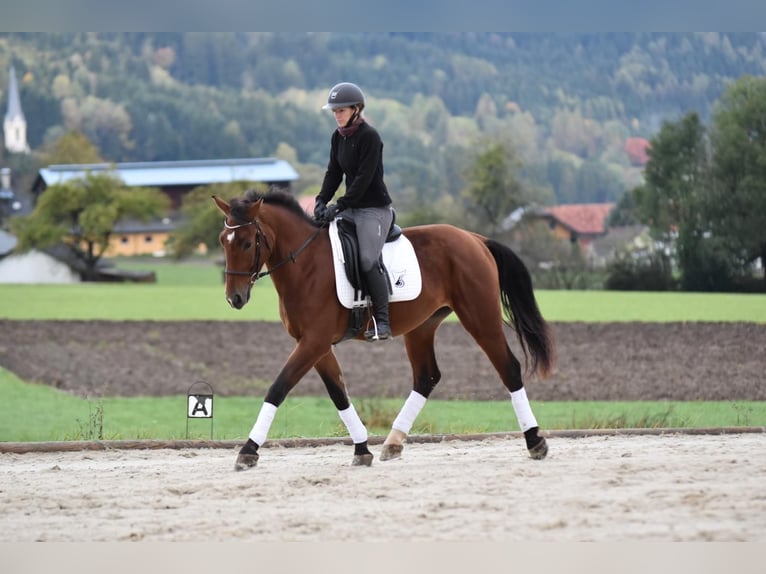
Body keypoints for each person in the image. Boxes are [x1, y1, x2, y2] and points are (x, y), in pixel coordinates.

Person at [314, 82, 394, 341]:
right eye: (334, 111)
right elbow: (333, 173)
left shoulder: (370, 137)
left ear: (356, 109)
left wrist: (340, 204)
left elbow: (364, 178)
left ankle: (382, 321)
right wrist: (321, 200)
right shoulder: (338, 137)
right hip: (351, 207)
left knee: (368, 260)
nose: (336, 115)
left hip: (374, 209)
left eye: (341, 110)